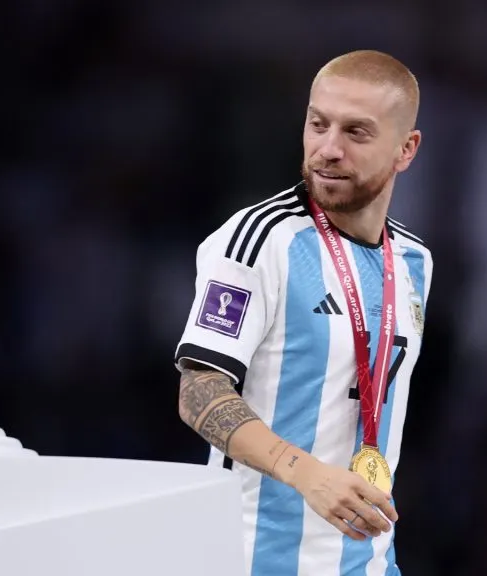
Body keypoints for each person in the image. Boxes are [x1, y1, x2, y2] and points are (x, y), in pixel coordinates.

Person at [174, 50, 433, 576]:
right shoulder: (258, 240)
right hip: (253, 559)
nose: (328, 149)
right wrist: (304, 471)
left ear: (406, 149)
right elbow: (199, 393)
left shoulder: (414, 262)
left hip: (370, 564)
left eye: (356, 133)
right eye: (318, 125)